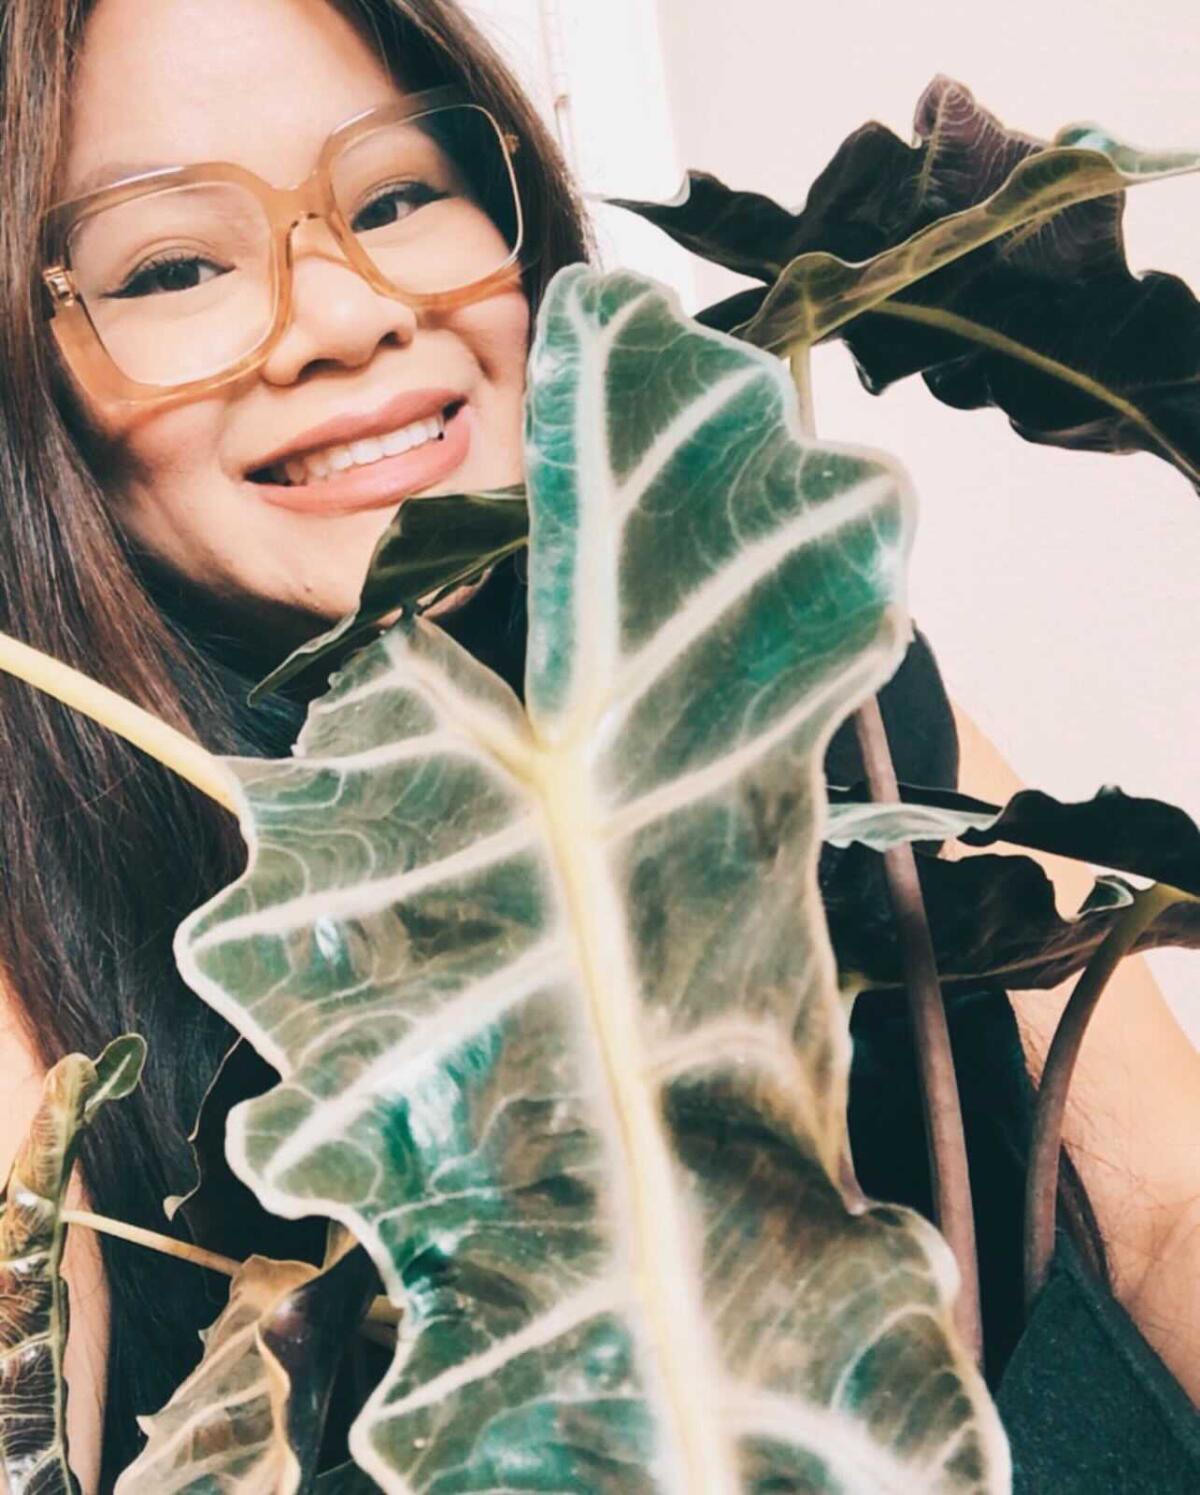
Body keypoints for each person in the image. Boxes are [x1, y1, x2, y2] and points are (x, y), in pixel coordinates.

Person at [0, 1, 1196, 1491]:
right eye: (173, 266)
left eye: (395, 197)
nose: (346, 313)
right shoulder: (38, 964)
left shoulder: (806, 695)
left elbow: (1163, 1220)